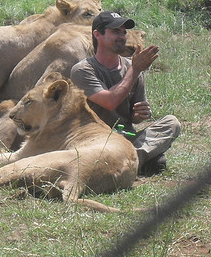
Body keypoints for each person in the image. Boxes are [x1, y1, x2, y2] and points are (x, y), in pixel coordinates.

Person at [70, 11, 181, 176]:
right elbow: (110, 101)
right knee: (158, 163)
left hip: (125, 136)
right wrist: (135, 70)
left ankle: (126, 162)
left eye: (124, 32)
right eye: (115, 31)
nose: (122, 36)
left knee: (171, 123)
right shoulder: (83, 70)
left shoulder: (132, 67)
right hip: (97, 140)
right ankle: (133, 161)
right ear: (97, 34)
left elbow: (133, 116)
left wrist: (139, 114)